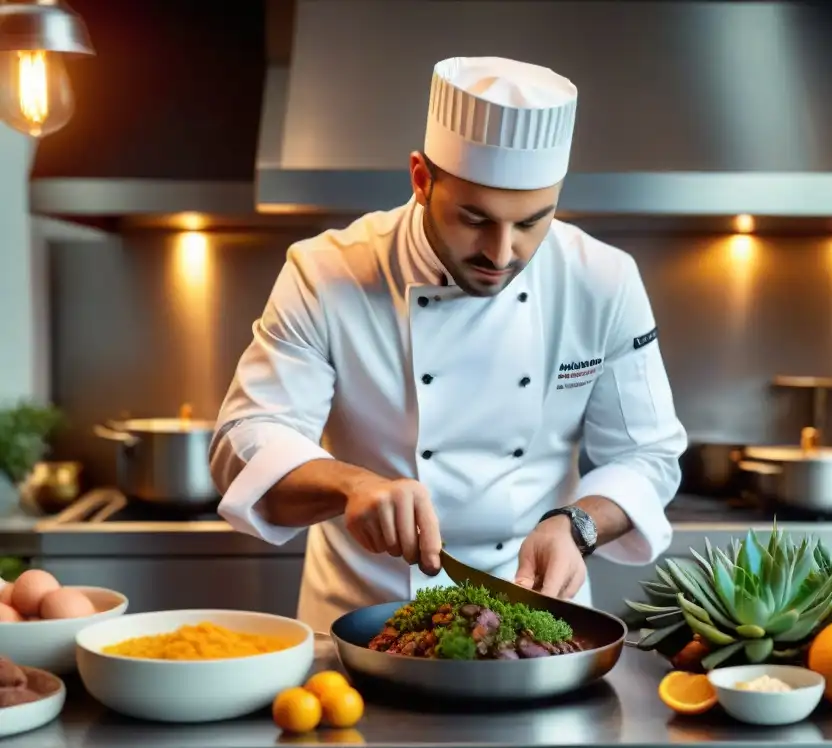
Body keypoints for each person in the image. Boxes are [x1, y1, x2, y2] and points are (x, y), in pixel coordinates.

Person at [210, 56, 687, 632]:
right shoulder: (327, 272)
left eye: (533, 221)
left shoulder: (602, 279)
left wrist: (575, 525)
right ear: (420, 178)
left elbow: (648, 454)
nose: (502, 252)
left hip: (535, 624)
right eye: (474, 218)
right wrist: (351, 485)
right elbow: (244, 439)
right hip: (362, 626)